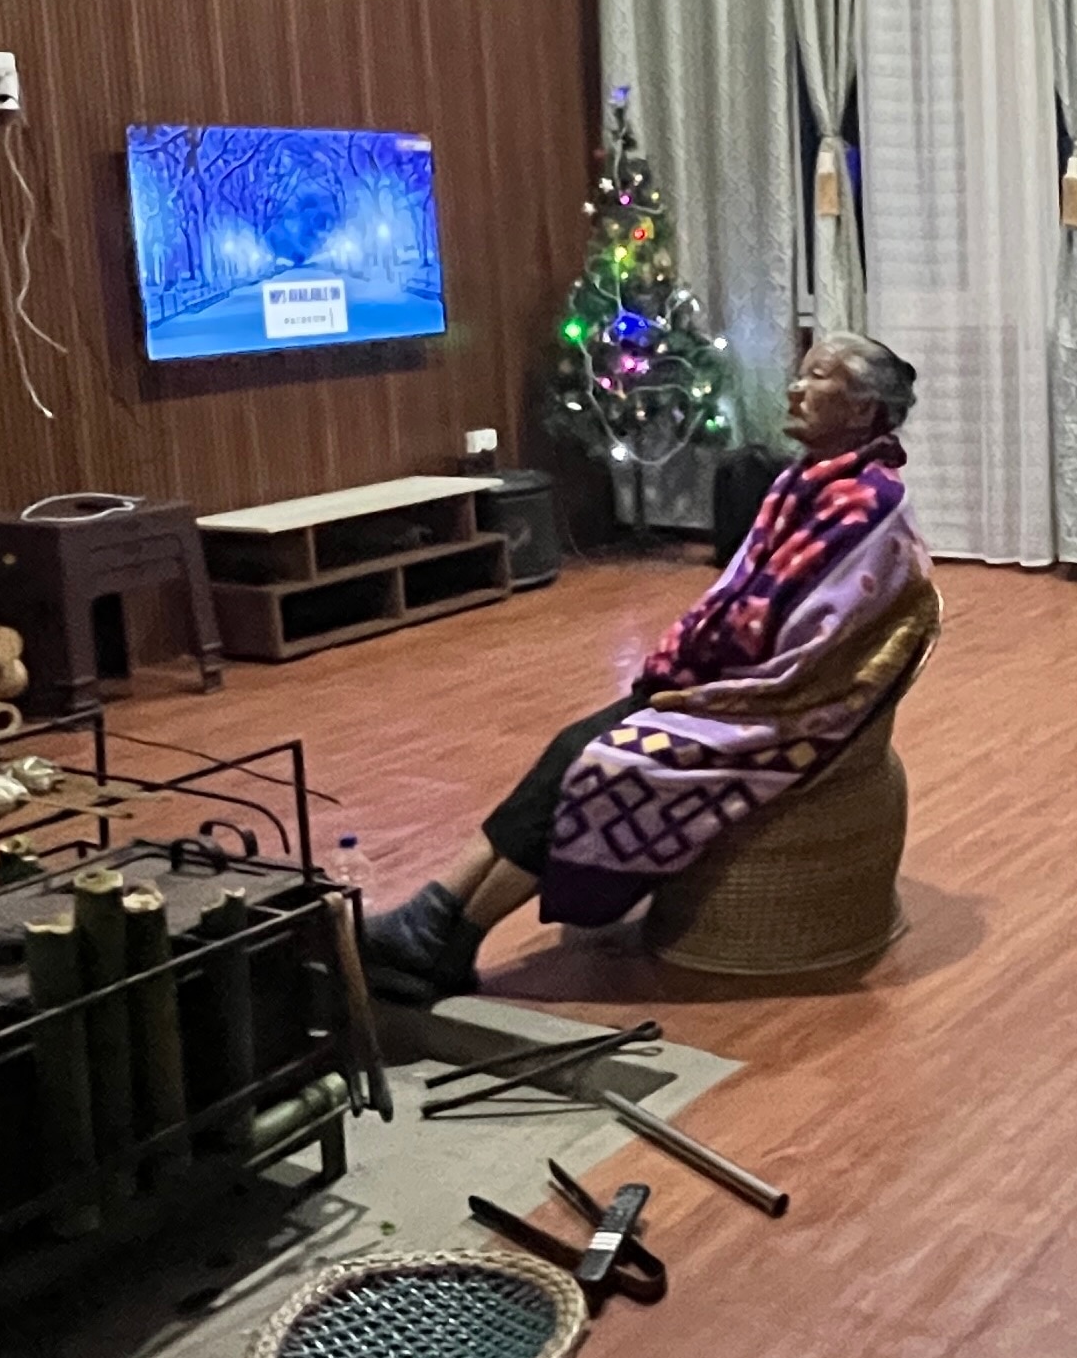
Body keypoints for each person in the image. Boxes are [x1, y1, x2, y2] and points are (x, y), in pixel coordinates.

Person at [362, 336, 938, 1003]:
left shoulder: (864, 503)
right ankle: (437, 921)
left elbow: (776, 629)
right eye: (800, 374)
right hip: (724, 681)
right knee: (571, 747)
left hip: (781, 704)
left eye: (818, 377)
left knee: (598, 762)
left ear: (863, 411)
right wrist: (682, 661)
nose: (795, 389)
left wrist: (687, 670)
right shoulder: (807, 480)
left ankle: (446, 934)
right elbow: (743, 596)